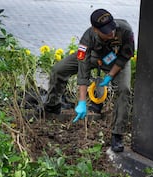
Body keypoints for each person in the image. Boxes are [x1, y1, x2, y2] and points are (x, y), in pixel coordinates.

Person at [43, 8, 135, 152]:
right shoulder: (87, 38)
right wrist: (81, 101)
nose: (111, 33)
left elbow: (126, 56)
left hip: (116, 59)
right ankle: (52, 105)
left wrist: (110, 75)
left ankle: (117, 134)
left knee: (124, 90)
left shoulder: (125, 30)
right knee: (58, 70)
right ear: (95, 29)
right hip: (95, 56)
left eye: (111, 28)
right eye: (105, 31)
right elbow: (83, 69)